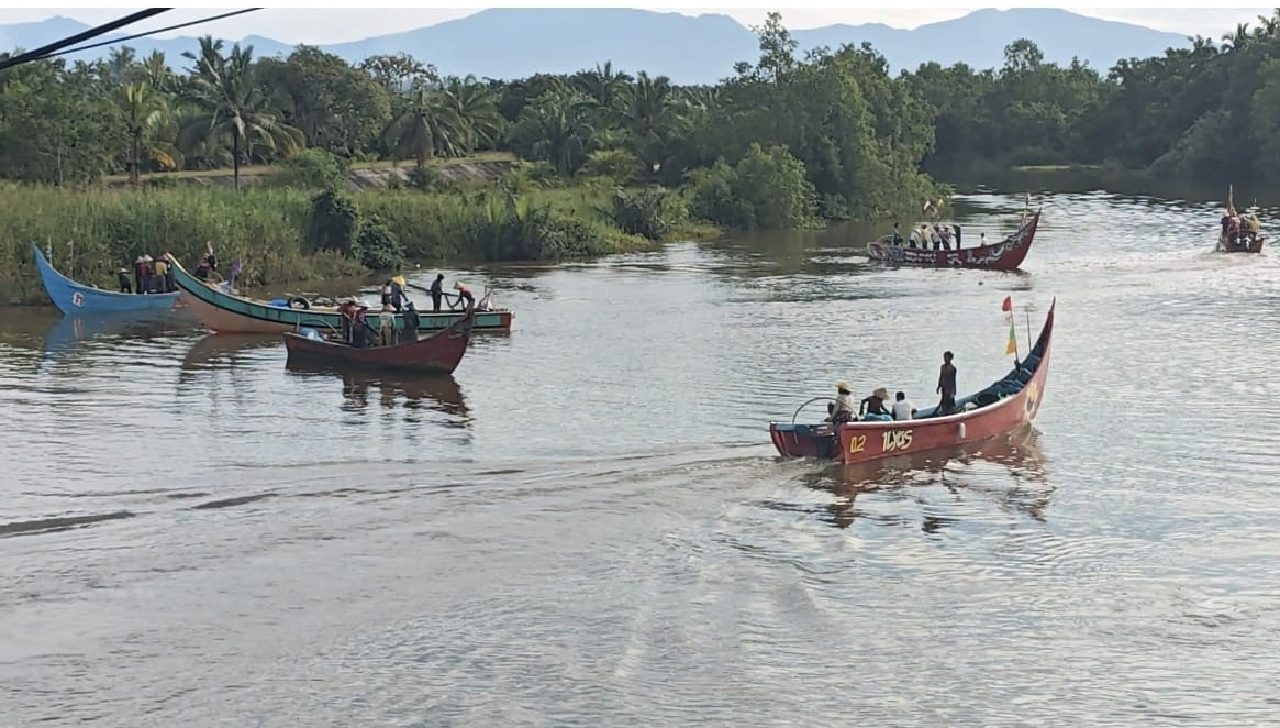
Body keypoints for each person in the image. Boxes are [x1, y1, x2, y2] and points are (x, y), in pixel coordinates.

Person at [937, 351, 958, 415]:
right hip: (944, 388)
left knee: (950, 404)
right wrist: (938, 386)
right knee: (944, 402)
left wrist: (953, 391)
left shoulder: (953, 368)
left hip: (950, 389)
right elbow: (941, 376)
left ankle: (951, 413)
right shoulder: (942, 367)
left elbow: (953, 380)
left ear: (950, 358)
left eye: (946, 357)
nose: (945, 359)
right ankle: (945, 412)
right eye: (944, 357)